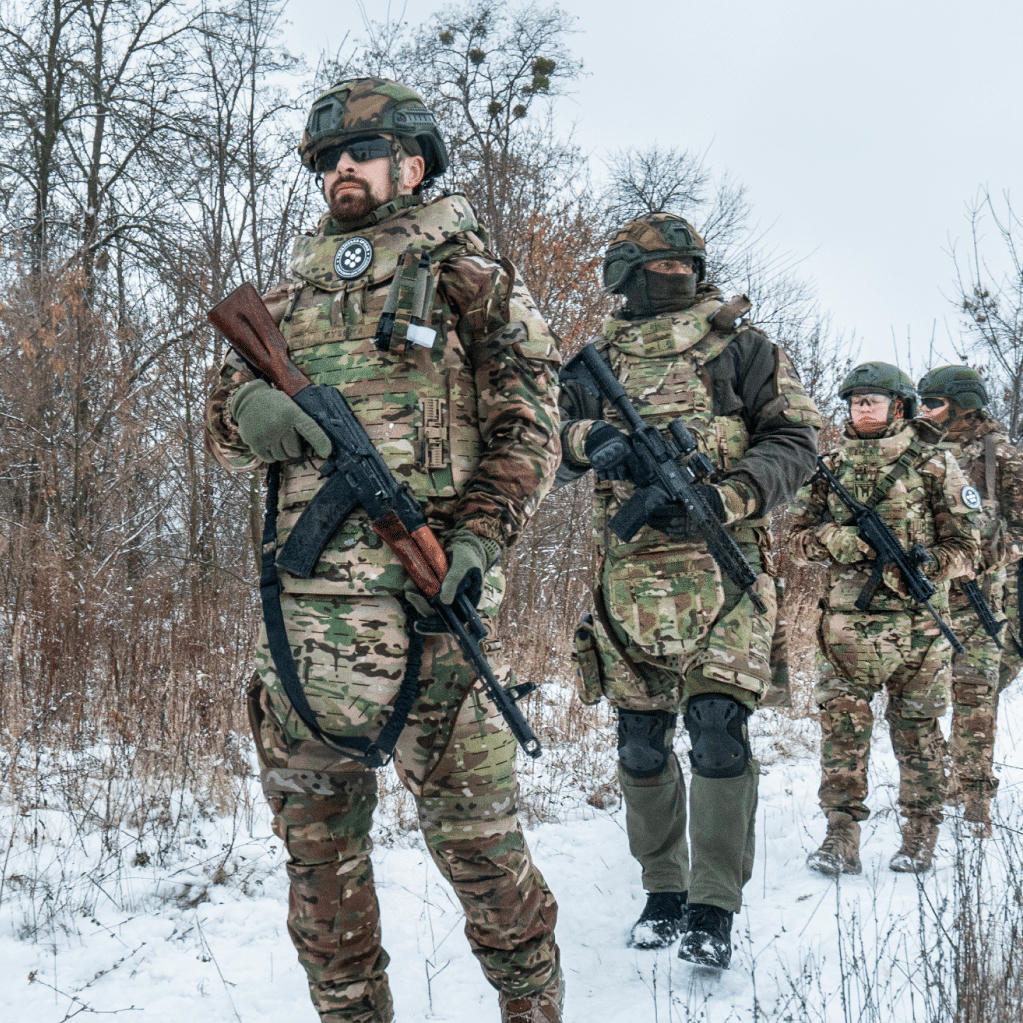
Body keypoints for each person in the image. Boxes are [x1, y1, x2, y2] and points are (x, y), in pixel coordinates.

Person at [205, 78, 564, 1023]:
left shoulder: (469, 274)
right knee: (321, 888)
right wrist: (247, 409)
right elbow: (216, 416)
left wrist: (480, 536)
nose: (339, 172)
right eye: (326, 160)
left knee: (489, 869)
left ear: (414, 158)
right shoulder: (287, 290)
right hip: (298, 647)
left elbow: (531, 426)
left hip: (430, 631)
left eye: (358, 152)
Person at [558, 213, 820, 968]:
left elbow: (796, 441)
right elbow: (551, 433)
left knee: (714, 729)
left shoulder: (743, 347)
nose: (663, 279)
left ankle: (711, 906)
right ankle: (662, 891)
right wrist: (593, 442)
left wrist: (732, 495)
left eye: (675, 266)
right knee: (640, 742)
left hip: (723, 571)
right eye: (652, 266)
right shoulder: (598, 359)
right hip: (630, 578)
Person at [791, 363, 980, 876]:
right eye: (855, 402)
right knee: (842, 732)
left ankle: (920, 834)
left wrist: (928, 562)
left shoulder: (935, 465)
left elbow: (969, 548)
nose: (862, 409)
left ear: (899, 406)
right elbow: (796, 540)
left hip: (919, 629)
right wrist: (836, 540)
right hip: (846, 631)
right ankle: (840, 835)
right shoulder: (829, 467)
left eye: (872, 400)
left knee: (918, 732)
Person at [916, 365, 1023, 835]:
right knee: (919, 698)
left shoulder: (1001, 457)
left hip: (980, 599)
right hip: (925, 597)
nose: (924, 411)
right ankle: (939, 780)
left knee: (976, 697)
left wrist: (979, 559)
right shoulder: (918, 452)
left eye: (934, 403)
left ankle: (976, 794)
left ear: (963, 404)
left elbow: (1019, 530)